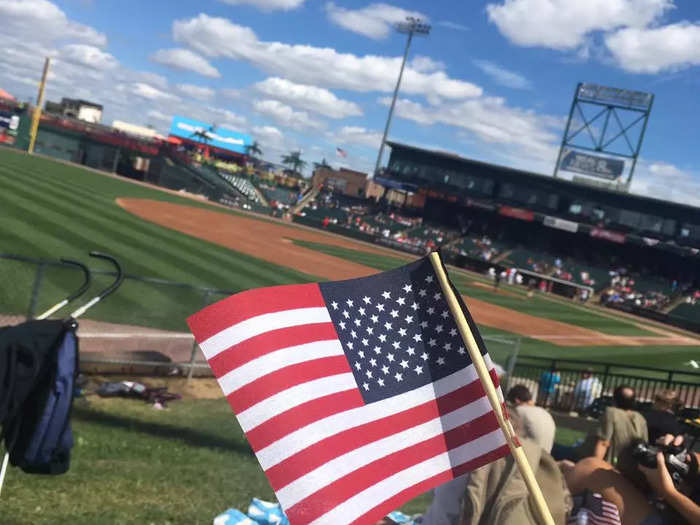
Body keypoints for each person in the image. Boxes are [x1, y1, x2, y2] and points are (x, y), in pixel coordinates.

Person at [593, 385, 648, 469]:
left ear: (614, 399)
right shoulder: (640, 418)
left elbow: (603, 443)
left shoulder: (611, 413)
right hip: (633, 470)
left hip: (610, 467)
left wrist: (593, 467)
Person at [507, 384, 556, 453]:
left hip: (530, 456)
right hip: (546, 456)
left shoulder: (518, 411)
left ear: (517, 400)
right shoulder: (545, 412)